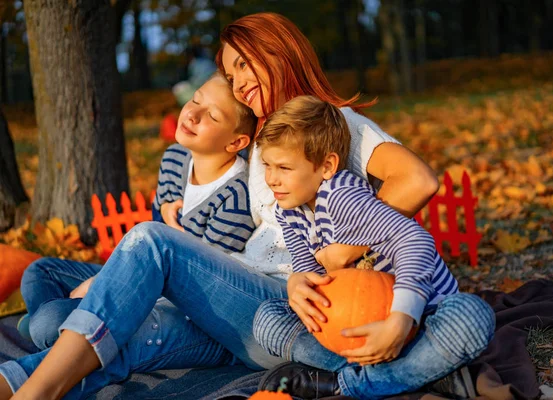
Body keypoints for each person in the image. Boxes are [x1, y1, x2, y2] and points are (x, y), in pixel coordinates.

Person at [2, 13, 442, 400]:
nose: (239, 82)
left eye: (245, 65)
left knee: (151, 241)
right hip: (234, 305)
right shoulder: (266, 139)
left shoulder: (331, 123)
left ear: (280, 53)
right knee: (107, 340)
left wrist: (348, 251)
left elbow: (417, 180)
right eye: (231, 76)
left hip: (281, 309)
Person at [0, 72, 257, 399]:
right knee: (42, 271)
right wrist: (106, 279)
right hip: (142, 274)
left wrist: (102, 286)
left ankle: (55, 329)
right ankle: (60, 323)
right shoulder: (176, 158)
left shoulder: (234, 199)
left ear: (235, 143)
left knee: (48, 322)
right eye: (195, 100)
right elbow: (148, 238)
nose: (192, 114)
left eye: (212, 115)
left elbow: (199, 288)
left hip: (179, 306)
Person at [251, 95, 495, 399]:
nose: (272, 179)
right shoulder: (288, 210)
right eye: (267, 165)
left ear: (326, 166)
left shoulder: (342, 196)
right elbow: (311, 277)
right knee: (267, 319)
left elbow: (414, 240)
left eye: (284, 167)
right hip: (355, 331)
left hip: (420, 320)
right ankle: (422, 375)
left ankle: (345, 386)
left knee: (471, 316)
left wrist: (400, 321)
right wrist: (297, 284)